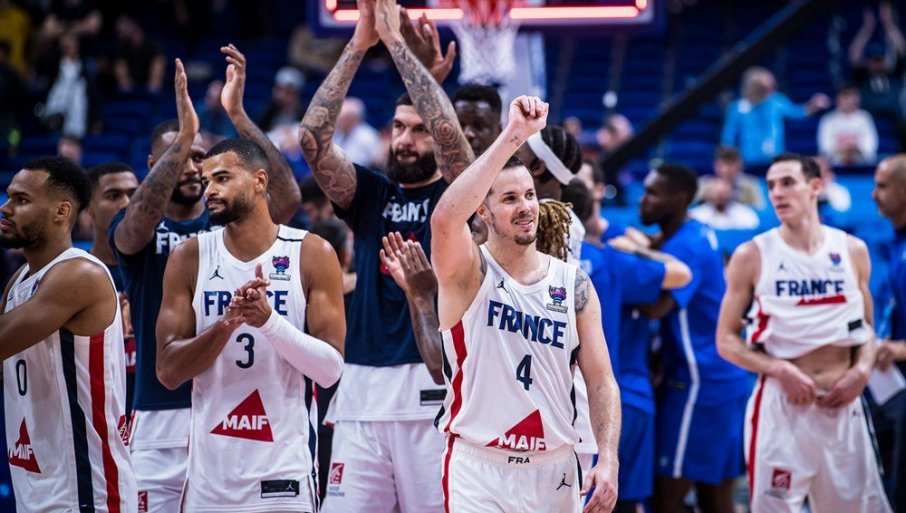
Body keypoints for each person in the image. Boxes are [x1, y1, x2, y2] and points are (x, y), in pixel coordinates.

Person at [298, 0, 473, 511]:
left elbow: (452, 140)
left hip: (432, 388)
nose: (405, 140)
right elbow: (311, 141)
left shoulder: (460, 196)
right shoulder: (372, 195)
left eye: (419, 130)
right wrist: (360, 43)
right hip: (362, 393)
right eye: (398, 127)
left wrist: (396, 42)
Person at [110, 48, 300, 513]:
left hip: (230, 412)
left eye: (199, 156)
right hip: (160, 414)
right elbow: (132, 232)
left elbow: (287, 197)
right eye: (179, 157)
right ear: (154, 163)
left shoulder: (225, 223)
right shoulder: (137, 228)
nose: (192, 166)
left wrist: (238, 115)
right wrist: (183, 139)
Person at [430, 94, 619, 513]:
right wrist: (515, 135)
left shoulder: (574, 285)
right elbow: (444, 219)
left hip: (555, 469)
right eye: (509, 198)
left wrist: (608, 458)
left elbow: (602, 380)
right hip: (479, 465)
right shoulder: (467, 274)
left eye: (530, 195)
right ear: (483, 212)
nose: (526, 207)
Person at [155, 138, 344, 511]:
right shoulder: (189, 257)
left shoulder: (311, 253)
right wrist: (227, 323)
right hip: (209, 480)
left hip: (283, 475)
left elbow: (330, 371)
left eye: (222, 178)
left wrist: (269, 321)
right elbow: (168, 372)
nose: (210, 190)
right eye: (207, 181)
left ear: (259, 181)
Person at [716, 153, 891, 512]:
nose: (777, 193)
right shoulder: (752, 255)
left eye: (787, 183)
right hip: (783, 406)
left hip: (844, 403)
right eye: (771, 186)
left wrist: (861, 371)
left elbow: (867, 330)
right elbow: (726, 340)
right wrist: (779, 369)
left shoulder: (852, 250)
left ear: (815, 187)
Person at [0, 156, 137, 512]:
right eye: (9, 197)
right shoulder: (17, 282)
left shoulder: (79, 273)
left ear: (61, 212)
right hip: (35, 486)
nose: (6, 208)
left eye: (21, 200)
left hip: (87, 492)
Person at [636, 163, 752, 513]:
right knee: (714, 496)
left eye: (653, 193)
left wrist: (614, 277)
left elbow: (655, 308)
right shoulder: (694, 232)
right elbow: (656, 246)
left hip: (700, 382)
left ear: (680, 200)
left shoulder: (687, 246)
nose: (643, 200)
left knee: (665, 498)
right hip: (722, 376)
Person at [577, 179, 693, 513]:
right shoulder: (611, 256)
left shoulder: (536, 263)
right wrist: (639, 247)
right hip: (623, 393)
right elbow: (680, 275)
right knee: (622, 500)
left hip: (580, 400)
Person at [86, 161, 139, 417]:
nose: (126, 204)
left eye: (133, 195)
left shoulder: (166, 270)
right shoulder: (73, 277)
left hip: (152, 419)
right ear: (89, 208)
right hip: (96, 415)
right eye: (113, 195)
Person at [872, 154, 906, 513]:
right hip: (890, 378)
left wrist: (899, 349)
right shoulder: (897, 242)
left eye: (882, 186)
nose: (873, 195)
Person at [721, 67, 829, 165]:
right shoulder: (737, 107)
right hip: (749, 161)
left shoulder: (776, 100)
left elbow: (797, 112)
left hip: (775, 159)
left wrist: (813, 105)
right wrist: (729, 160)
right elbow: (728, 138)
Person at [849, 2, 906, 151]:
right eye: (874, 61)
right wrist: (866, 30)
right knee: (859, 123)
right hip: (868, 112)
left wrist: (889, 24)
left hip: (894, 113)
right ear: (869, 62)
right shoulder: (863, 75)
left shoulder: (893, 73)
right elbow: (854, 55)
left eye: (880, 60)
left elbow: (901, 49)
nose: (878, 64)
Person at [817, 84, 878, 166]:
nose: (850, 100)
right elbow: (824, 149)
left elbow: (870, 148)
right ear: (838, 98)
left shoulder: (865, 118)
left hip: (861, 166)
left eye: (853, 96)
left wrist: (855, 150)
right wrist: (842, 151)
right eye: (846, 96)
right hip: (836, 166)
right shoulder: (828, 119)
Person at [697, 146, 765, 209]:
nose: (728, 169)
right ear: (716, 166)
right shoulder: (705, 184)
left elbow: (759, 209)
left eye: (732, 164)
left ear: (740, 166)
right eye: (724, 164)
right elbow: (694, 208)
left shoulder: (750, 184)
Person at [689, 176, 760, 230]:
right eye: (716, 193)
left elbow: (752, 232)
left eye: (724, 193)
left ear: (732, 194)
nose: (720, 197)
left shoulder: (746, 214)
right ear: (709, 194)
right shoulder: (696, 215)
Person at [452, 83, 503, 157]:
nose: (467, 134)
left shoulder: (516, 163)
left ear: (499, 131)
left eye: (479, 126)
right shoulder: (436, 159)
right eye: (459, 126)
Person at [334, 97, 381, 167]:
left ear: (353, 118)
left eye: (343, 119)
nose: (339, 122)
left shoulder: (368, 136)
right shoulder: (336, 134)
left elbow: (377, 161)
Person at [257, 66, 305, 133]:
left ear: (297, 94)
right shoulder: (267, 110)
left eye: (288, 92)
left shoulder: (304, 115)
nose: (281, 95)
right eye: (279, 89)